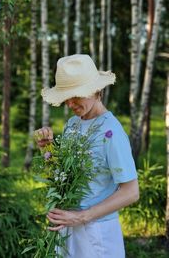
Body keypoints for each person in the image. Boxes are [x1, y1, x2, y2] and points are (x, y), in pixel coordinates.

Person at [35, 54, 139, 258]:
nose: (71, 103)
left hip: (97, 233)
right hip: (69, 229)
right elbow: (62, 178)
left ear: (96, 90)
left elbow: (131, 192)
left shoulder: (111, 132)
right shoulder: (72, 125)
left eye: (77, 95)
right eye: (67, 97)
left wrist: (82, 217)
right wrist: (47, 150)